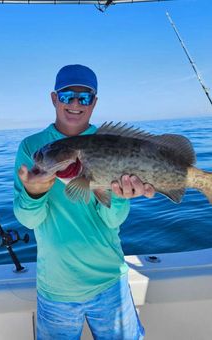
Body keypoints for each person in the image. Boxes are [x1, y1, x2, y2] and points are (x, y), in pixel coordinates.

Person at [13, 64, 155, 339]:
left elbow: (113, 220)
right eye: (67, 96)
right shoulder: (31, 148)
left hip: (110, 281)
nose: (76, 103)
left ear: (94, 102)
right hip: (56, 288)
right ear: (54, 99)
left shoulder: (107, 140)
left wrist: (120, 198)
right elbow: (28, 219)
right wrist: (34, 193)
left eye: (85, 97)